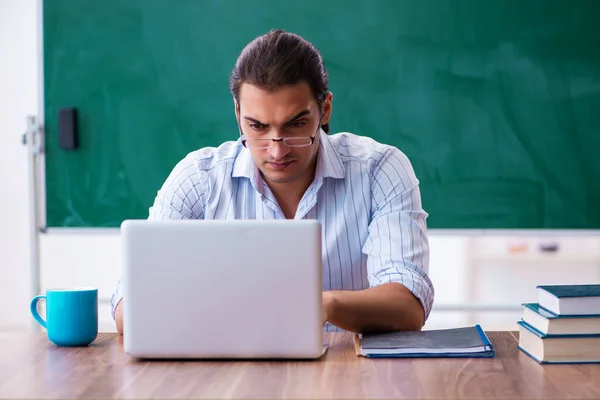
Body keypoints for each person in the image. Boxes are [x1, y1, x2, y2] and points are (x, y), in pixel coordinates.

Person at [111, 29, 434, 335]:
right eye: (257, 127)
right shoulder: (198, 178)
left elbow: (408, 306)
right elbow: (130, 310)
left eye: (295, 125)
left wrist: (325, 304)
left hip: (349, 374)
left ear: (325, 109)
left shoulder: (380, 168)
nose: (277, 148)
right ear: (238, 114)